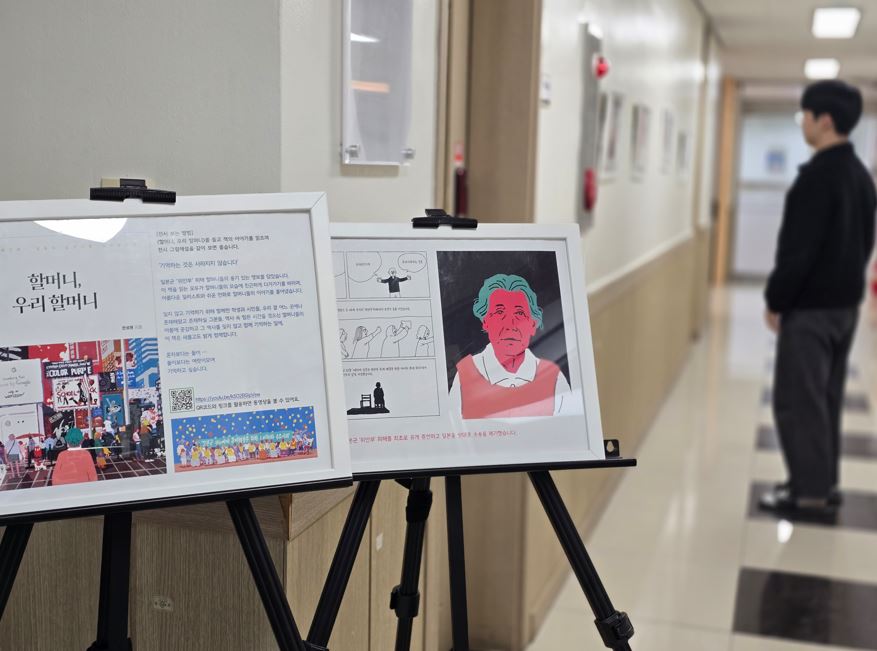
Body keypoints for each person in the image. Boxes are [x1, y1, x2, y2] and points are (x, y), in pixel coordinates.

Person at [760, 80, 877, 514]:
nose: (803, 123)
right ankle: (822, 483)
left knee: (799, 401)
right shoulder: (861, 177)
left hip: (810, 310)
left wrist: (777, 299)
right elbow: (865, 244)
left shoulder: (817, 179)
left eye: (805, 116)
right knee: (825, 398)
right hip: (844, 308)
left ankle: (808, 493)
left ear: (824, 121)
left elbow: (798, 252)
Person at [449, 274, 574, 419]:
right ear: (485, 322)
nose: (510, 324)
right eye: (499, 312)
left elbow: (569, 427)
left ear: (532, 324)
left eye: (519, 313)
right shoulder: (465, 376)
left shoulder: (553, 377)